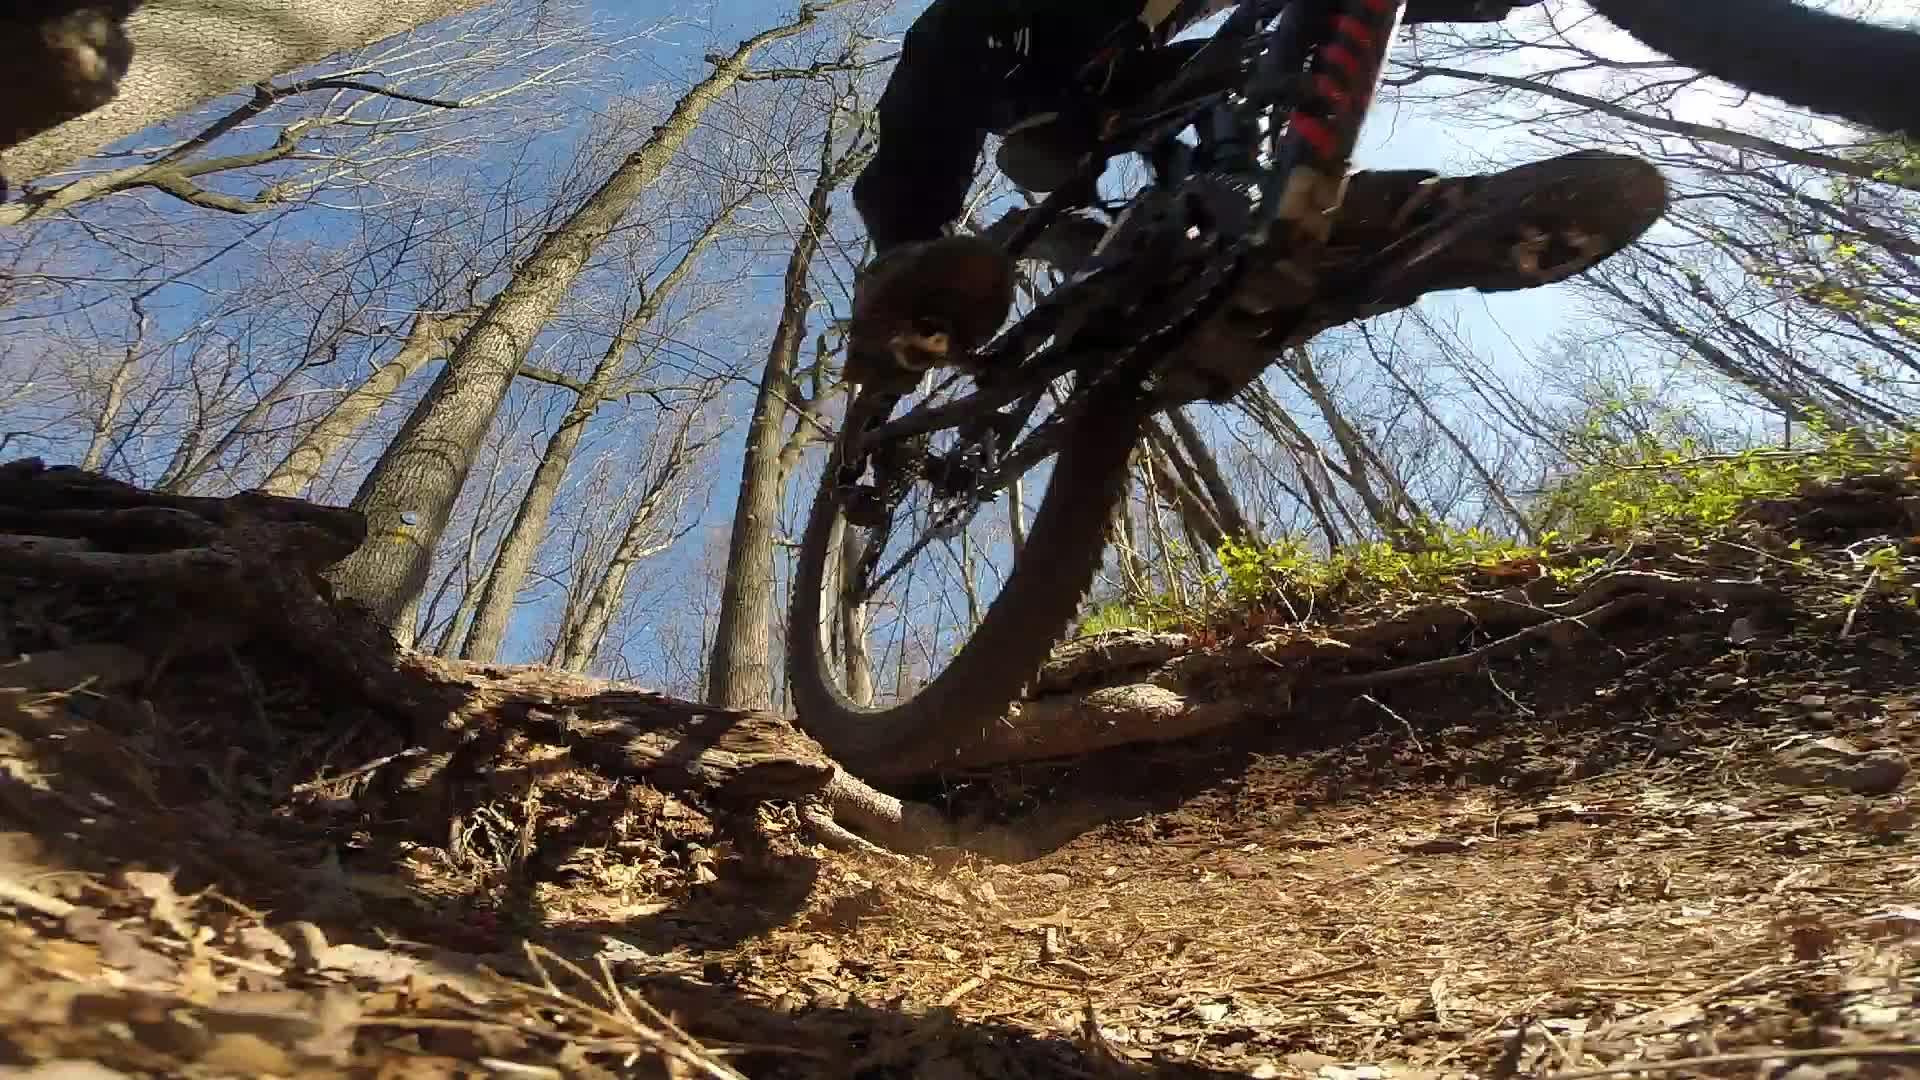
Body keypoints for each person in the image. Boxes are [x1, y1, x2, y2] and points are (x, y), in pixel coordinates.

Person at [845, 0, 1668, 386]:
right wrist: (911, 235)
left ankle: (1390, 222)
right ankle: (913, 275)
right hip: (1033, 76)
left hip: (1150, 72)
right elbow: (941, 67)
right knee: (959, 38)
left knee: (1258, 67)